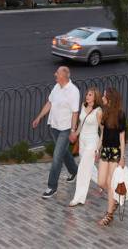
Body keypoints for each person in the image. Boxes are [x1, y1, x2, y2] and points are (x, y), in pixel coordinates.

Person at [31, 66, 80, 198]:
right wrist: (39, 117)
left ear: (63, 76)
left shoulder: (73, 91)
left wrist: (73, 131)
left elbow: (75, 112)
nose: (55, 74)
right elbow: (49, 103)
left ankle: (52, 187)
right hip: (54, 127)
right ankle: (74, 171)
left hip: (65, 129)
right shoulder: (57, 87)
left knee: (57, 157)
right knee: (63, 152)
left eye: (57, 73)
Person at [97, 87, 127, 227]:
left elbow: (122, 137)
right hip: (105, 150)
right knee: (101, 182)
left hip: (115, 152)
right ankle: (114, 199)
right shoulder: (104, 112)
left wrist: (122, 157)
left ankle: (109, 214)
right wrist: (98, 148)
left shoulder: (120, 114)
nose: (102, 97)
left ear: (109, 98)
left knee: (110, 183)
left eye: (104, 95)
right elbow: (102, 133)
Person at [69, 86, 103, 206]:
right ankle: (103, 184)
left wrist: (98, 148)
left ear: (95, 97)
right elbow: (81, 124)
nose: (87, 96)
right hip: (82, 141)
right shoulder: (84, 106)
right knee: (89, 168)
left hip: (92, 142)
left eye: (90, 95)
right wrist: (75, 134)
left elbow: (103, 130)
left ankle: (78, 198)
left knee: (83, 169)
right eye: (87, 94)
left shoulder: (98, 111)